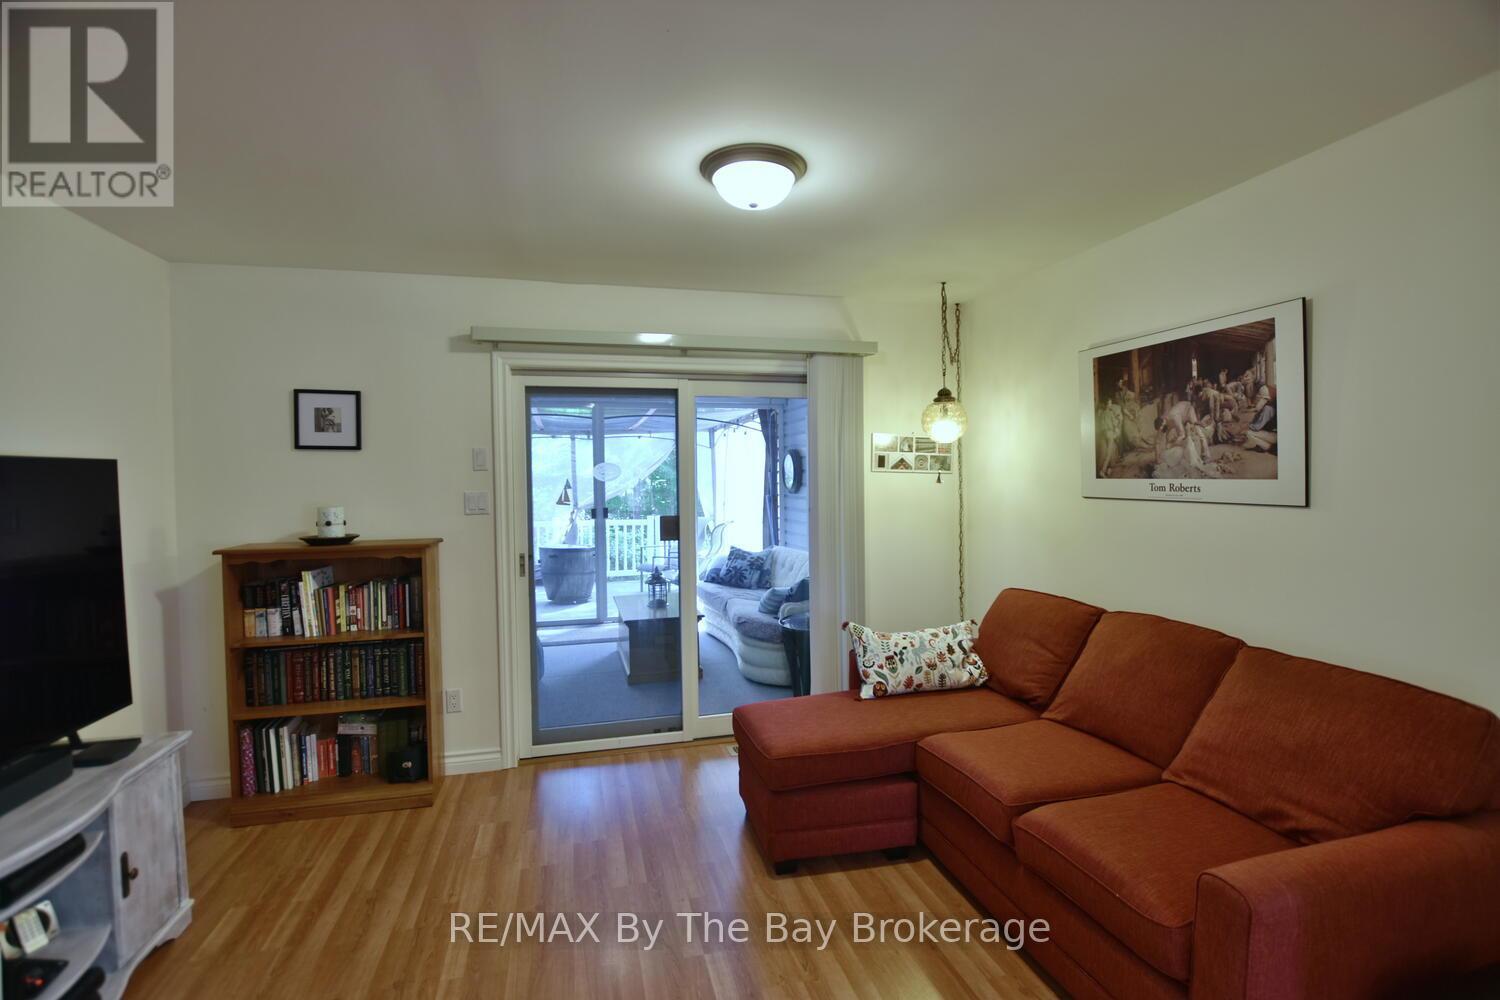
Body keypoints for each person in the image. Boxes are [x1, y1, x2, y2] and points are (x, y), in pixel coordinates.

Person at [1243, 386, 1277, 452]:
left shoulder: (1268, 408)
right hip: (1274, 433)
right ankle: (1267, 446)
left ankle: (1268, 447)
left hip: (1275, 435)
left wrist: (1244, 427)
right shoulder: (1270, 405)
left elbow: (1257, 427)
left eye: (1259, 397)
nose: (1257, 399)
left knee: (1248, 433)